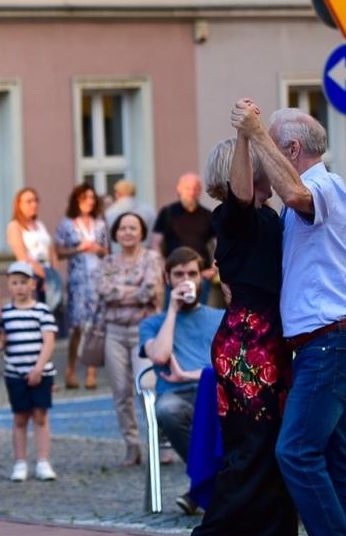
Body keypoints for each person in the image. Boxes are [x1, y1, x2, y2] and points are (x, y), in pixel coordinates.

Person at [233, 101, 346, 536]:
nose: (266, 157)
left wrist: (255, 132)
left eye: (273, 148)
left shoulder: (322, 186)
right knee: (335, 456)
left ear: (292, 149)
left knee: (295, 451)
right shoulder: (321, 189)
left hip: (331, 340)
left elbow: (296, 193)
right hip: (331, 339)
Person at [171, 138, 296, 536]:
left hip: (267, 343)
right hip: (248, 347)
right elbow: (242, 194)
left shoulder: (267, 216)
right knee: (251, 452)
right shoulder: (232, 215)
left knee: (271, 452)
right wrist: (247, 135)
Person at [140, 248, 224, 510]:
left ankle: (204, 488)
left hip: (214, 393)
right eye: (179, 274)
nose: (186, 280)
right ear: (167, 279)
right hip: (177, 397)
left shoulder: (220, 317)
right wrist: (173, 311)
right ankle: (216, 484)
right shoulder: (153, 324)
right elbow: (160, 355)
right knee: (166, 409)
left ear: (202, 278)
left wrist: (187, 374)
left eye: (192, 274)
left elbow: (227, 368)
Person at [95, 212, 164, 466]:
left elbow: (151, 291)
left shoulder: (152, 259)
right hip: (113, 332)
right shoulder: (108, 261)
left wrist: (120, 292)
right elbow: (103, 290)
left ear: (141, 232)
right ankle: (132, 445)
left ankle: (159, 443)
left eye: (132, 228)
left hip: (143, 331)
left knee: (148, 388)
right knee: (121, 391)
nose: (127, 232)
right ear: (115, 233)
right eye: (123, 228)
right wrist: (134, 291)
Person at [0, 261, 58, 482]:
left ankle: (43, 461)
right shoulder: (5, 313)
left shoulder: (42, 311)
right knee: (20, 417)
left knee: (40, 416)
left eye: (24, 282)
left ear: (33, 285)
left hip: (40, 372)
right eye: (14, 283)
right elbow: (3, 340)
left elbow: (49, 342)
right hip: (15, 373)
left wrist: (39, 369)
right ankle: (20, 462)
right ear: (9, 286)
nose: (19, 287)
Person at [55, 184, 109, 390]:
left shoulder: (100, 225)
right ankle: (70, 369)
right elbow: (59, 251)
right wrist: (78, 249)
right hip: (78, 281)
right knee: (77, 327)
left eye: (92, 198)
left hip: (97, 280)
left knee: (95, 327)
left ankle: (91, 373)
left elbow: (107, 252)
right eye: (85, 198)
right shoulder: (67, 224)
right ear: (76, 200)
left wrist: (97, 249)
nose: (89, 201)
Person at [151, 174, 214, 264]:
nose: (192, 193)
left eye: (196, 189)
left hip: (202, 273)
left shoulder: (208, 215)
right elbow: (155, 244)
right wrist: (162, 266)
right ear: (179, 190)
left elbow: (218, 244)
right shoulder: (167, 213)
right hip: (174, 272)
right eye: (187, 189)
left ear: (200, 191)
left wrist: (213, 269)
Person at [6, 188, 52, 299]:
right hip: (30, 276)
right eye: (29, 201)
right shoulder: (15, 226)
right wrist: (43, 274)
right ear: (19, 204)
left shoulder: (40, 225)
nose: (34, 204)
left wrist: (53, 274)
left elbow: (51, 249)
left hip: (47, 273)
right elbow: (21, 255)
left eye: (35, 201)